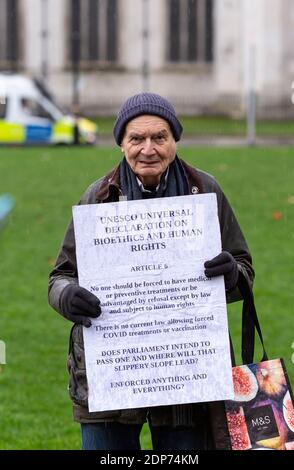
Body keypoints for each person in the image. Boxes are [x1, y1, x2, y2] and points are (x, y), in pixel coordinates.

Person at [48, 93, 254, 450]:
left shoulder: (205, 191)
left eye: (159, 137)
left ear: (175, 139)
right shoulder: (97, 198)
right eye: (136, 138)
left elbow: (245, 271)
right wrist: (67, 296)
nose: (148, 148)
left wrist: (233, 275)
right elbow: (60, 276)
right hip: (109, 372)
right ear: (121, 144)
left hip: (187, 373)